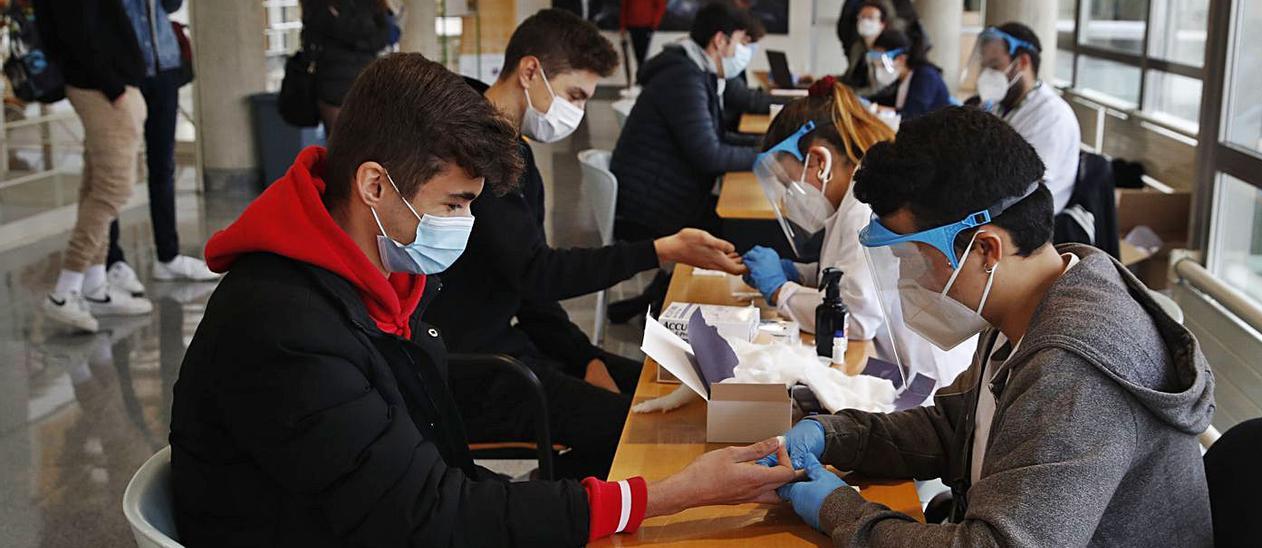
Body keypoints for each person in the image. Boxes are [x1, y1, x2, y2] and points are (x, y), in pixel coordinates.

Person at [169, 53, 800, 546]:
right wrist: (667, 495)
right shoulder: (284, 326)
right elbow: (430, 516)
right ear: (373, 186)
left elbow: (437, 487)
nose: (463, 224)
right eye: (454, 204)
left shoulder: (384, 282)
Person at [765, 107, 1215, 546]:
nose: (909, 278)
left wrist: (838, 509)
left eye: (917, 257)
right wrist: (836, 435)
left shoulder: (1074, 369)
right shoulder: (1028, 302)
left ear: (986, 250)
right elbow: (954, 427)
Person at [426, 9, 746, 481]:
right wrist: (659, 250)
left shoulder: (515, 152)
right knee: (639, 428)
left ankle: (550, 492)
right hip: (471, 367)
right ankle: (549, 503)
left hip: (513, 347)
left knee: (659, 395)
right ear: (530, 70)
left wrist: (585, 356)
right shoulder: (470, 153)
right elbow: (536, 271)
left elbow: (531, 291)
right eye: (574, 94)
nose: (575, 111)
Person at [741, 76, 973, 390]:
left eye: (789, 184)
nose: (787, 199)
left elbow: (857, 318)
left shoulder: (863, 206)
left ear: (819, 162)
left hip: (924, 381)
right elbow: (857, 278)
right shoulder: (855, 194)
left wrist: (783, 292)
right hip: (902, 364)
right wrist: (802, 273)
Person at [35, 0, 155, 333]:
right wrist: (114, 88)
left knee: (97, 185)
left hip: (104, 85)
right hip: (101, 88)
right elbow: (78, 34)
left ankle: (94, 285)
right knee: (113, 190)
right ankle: (65, 290)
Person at [611, 2, 757, 242]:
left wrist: (763, 146)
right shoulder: (684, 78)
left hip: (668, 194)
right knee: (745, 232)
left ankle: (665, 279)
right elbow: (709, 155)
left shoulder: (693, 70)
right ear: (720, 40)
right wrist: (766, 157)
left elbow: (715, 138)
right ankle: (667, 280)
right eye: (740, 43)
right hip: (653, 207)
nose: (742, 52)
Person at [102, 0, 219, 298]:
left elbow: (171, 4)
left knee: (163, 166)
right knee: (114, 169)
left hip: (164, 66)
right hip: (123, 70)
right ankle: (110, 260)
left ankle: (167, 256)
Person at [968, 23, 1081, 215]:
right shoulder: (998, 104)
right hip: (995, 205)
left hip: (1025, 218)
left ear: (1022, 63)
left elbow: (1023, 185)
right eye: (985, 68)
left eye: (995, 66)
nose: (987, 76)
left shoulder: (1051, 116)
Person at [302, 0, 393, 132]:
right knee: (366, 142)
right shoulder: (372, 5)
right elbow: (383, 38)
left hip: (333, 81)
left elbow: (310, 44)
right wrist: (362, 42)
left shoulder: (321, 5)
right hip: (363, 80)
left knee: (338, 142)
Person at [864, 29, 951, 120]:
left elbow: (912, 115)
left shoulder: (926, 76)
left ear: (901, 59)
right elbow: (885, 100)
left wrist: (874, 109)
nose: (878, 69)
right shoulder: (903, 80)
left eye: (882, 64)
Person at [837, 0, 894, 90]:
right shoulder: (857, 48)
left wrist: (852, 96)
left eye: (870, 18)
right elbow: (849, 78)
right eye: (862, 17)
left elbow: (883, 88)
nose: (865, 22)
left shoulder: (888, 50)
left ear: (882, 24)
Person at [620, 0, 665, 70]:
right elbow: (625, 7)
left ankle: (644, 75)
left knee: (644, 56)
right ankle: (641, 75)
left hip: (646, 26)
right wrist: (623, 26)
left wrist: (654, 24)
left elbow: (660, 7)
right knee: (637, 55)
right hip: (632, 26)